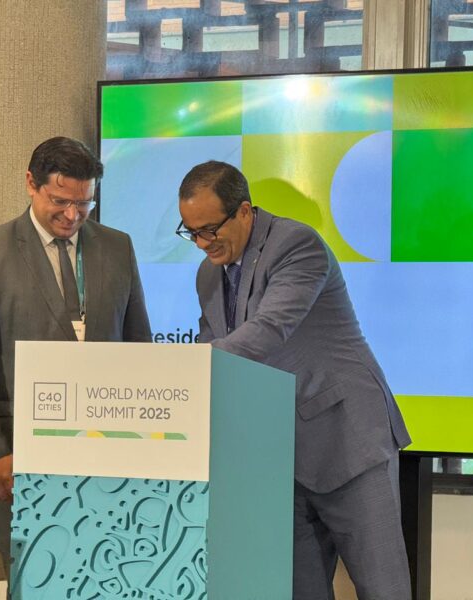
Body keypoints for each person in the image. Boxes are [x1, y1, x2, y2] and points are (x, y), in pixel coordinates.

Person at [176, 161, 412, 599]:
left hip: (347, 442)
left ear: (243, 211)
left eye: (209, 230)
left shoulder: (296, 245)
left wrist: (178, 369)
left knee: (384, 589)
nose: (202, 243)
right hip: (278, 459)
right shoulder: (208, 274)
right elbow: (217, 352)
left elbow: (267, 330)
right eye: (191, 233)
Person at [0, 136, 152, 572]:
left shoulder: (118, 247)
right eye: (60, 201)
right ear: (31, 184)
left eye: (84, 203)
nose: (72, 215)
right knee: (37, 576)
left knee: (108, 574)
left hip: (110, 459)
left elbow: (141, 351)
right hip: (19, 460)